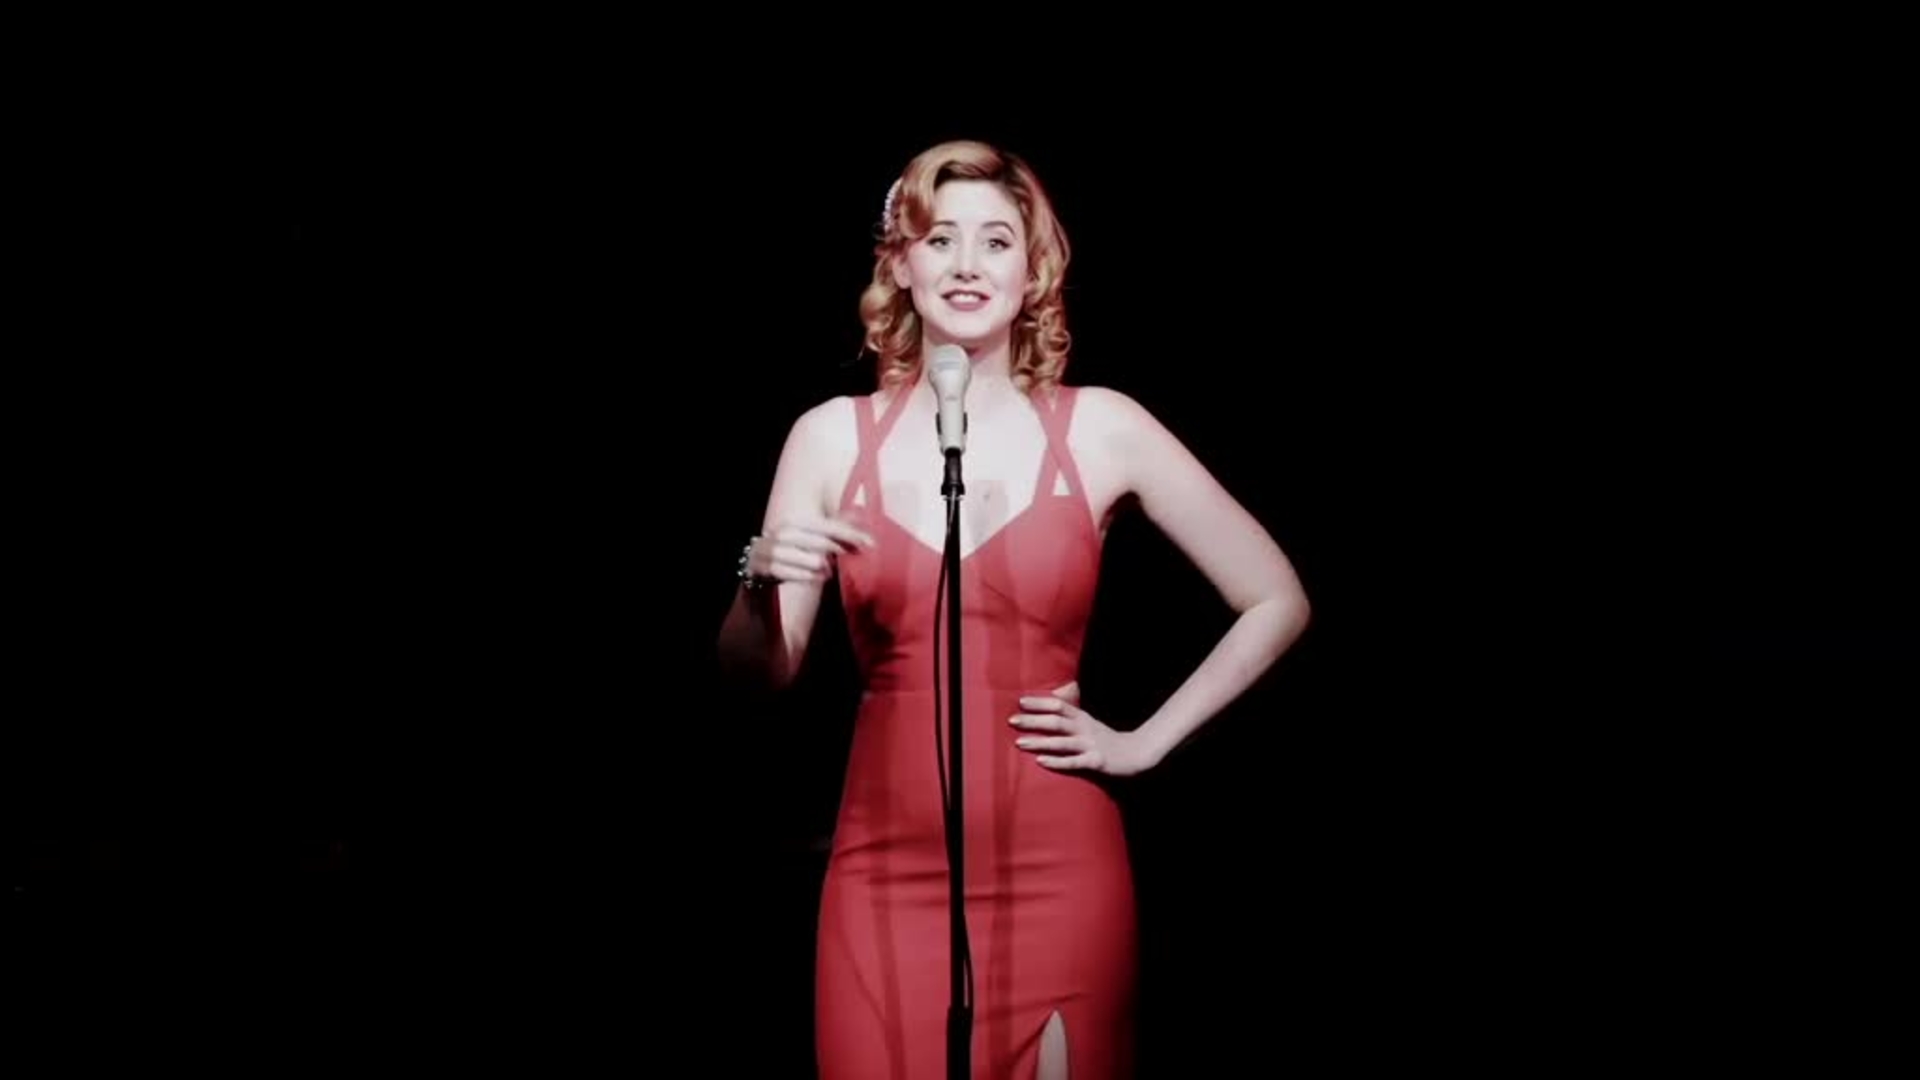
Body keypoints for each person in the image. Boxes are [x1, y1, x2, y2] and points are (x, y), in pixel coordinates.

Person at [716, 139, 1311, 1080]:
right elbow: (764, 672)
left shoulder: (1103, 426)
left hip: (1059, 871)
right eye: (940, 239)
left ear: (1032, 273)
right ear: (900, 265)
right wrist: (756, 583)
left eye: (995, 242)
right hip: (882, 873)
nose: (966, 264)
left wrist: (1142, 742)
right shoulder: (829, 438)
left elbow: (1275, 597)